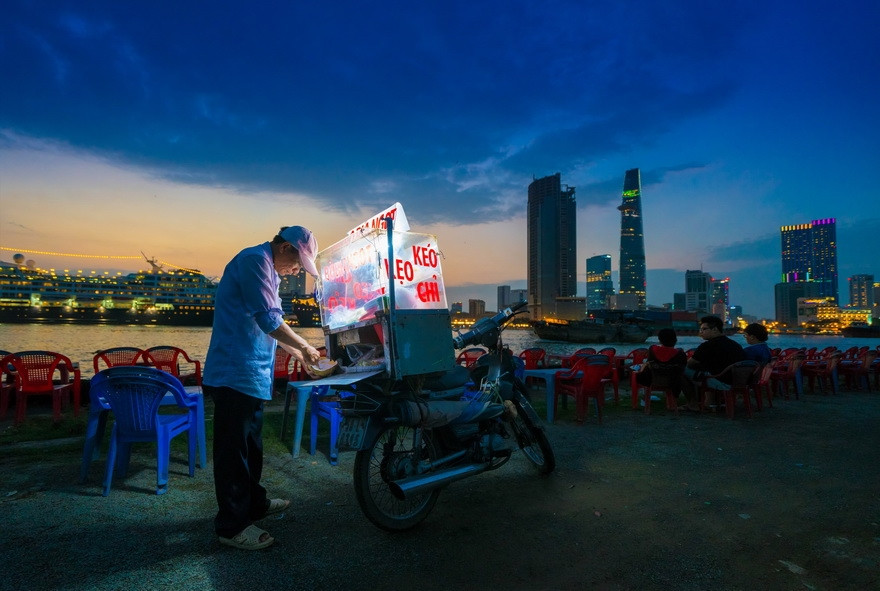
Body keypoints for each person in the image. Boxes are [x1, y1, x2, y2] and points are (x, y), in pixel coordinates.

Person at [203, 226, 322, 551]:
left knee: (251, 448)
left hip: (251, 374)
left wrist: (303, 356)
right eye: (298, 263)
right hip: (233, 371)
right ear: (284, 248)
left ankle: (254, 504)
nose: (298, 270)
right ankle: (232, 526)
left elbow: (271, 327)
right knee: (233, 453)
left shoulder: (269, 268)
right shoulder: (254, 260)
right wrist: (307, 349)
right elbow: (269, 319)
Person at [680, 315, 745, 412]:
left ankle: (692, 404)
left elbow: (689, 364)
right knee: (705, 372)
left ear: (715, 329)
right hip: (738, 383)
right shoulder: (735, 345)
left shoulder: (707, 346)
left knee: (680, 370)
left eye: (704, 329)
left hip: (722, 383)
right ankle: (709, 401)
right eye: (700, 329)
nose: (700, 332)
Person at [635, 328, 687, 396]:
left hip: (652, 381)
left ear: (659, 340)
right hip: (673, 383)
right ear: (675, 340)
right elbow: (683, 368)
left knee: (636, 368)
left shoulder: (652, 349)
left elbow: (649, 363)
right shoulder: (680, 353)